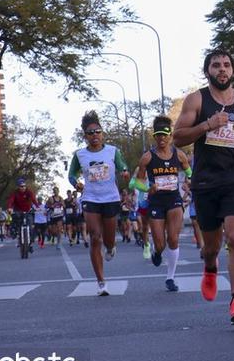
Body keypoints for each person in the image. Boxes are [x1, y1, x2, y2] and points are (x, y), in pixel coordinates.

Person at [174, 48, 234, 324]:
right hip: (206, 182)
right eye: (216, 65)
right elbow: (178, 137)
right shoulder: (196, 99)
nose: (222, 69)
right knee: (211, 248)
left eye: (226, 65)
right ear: (208, 71)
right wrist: (207, 125)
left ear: (233, 70)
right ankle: (210, 266)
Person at [68, 110, 130, 295]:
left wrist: (125, 172)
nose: (95, 135)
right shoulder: (80, 155)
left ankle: (111, 248)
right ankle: (101, 282)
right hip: (90, 198)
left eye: (98, 131)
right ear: (85, 136)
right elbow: (71, 174)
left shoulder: (113, 151)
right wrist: (75, 183)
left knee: (109, 241)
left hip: (110, 198)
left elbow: (123, 166)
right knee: (95, 237)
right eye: (90, 133)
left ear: (102, 133)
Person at [134, 115, 192, 292]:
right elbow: (137, 182)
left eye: (164, 134)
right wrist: (146, 190)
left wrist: (188, 181)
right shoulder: (147, 158)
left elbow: (190, 173)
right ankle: (156, 252)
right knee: (160, 244)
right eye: (158, 135)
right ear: (154, 136)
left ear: (170, 135)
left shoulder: (179, 155)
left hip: (174, 199)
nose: (161, 138)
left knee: (173, 239)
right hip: (156, 202)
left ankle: (170, 278)